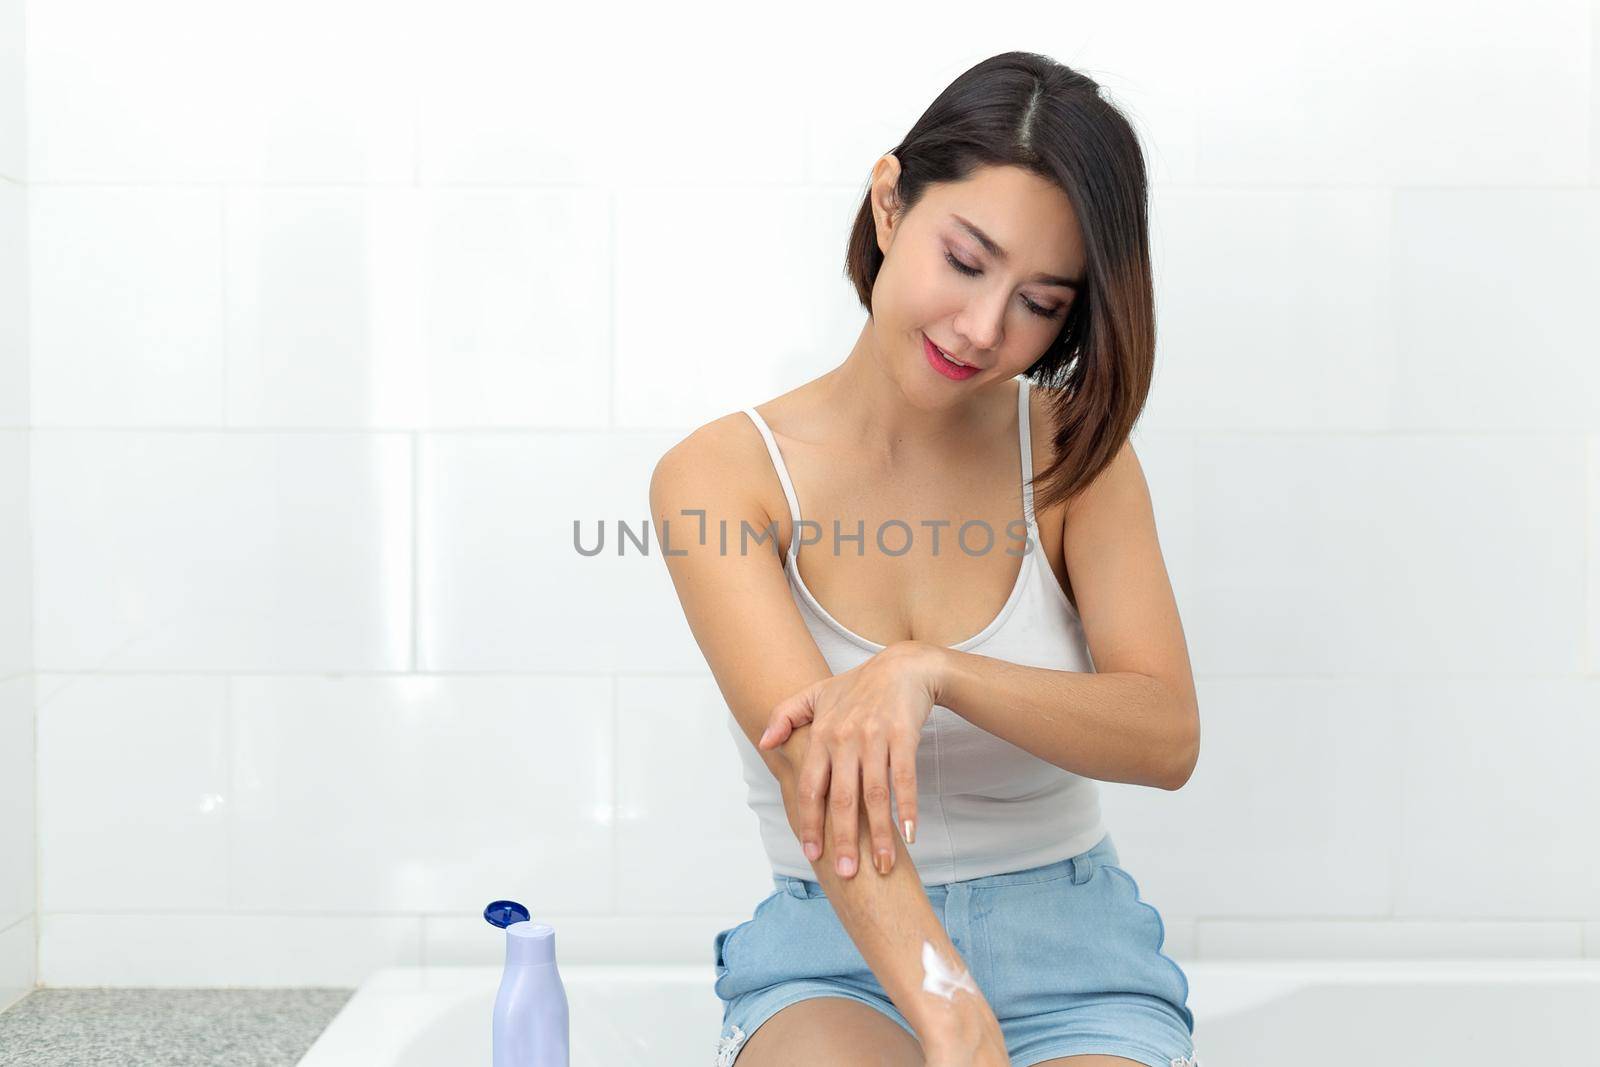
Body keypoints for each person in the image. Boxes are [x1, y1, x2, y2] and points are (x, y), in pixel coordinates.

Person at [650, 50, 1202, 1067]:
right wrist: (949, 1010)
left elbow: (1165, 733)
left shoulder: (1076, 456)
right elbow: (814, 768)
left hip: (1075, 957)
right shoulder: (722, 476)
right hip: (838, 954)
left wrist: (931, 669)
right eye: (965, 258)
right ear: (891, 203)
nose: (983, 327)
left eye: (1039, 301)